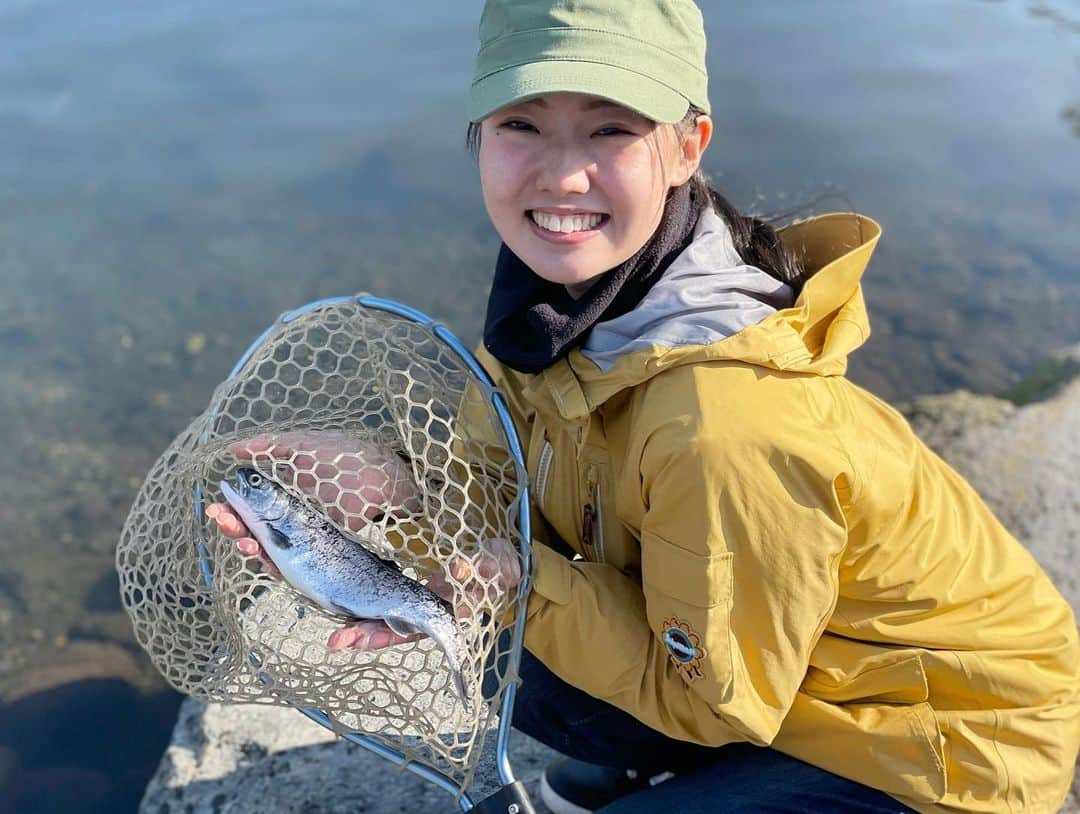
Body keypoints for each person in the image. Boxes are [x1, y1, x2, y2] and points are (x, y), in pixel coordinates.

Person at [209, 1, 1080, 812]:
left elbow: (709, 700)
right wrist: (395, 501)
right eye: (521, 124)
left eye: (611, 128)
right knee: (496, 653)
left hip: (941, 746)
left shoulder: (729, 425)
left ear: (688, 145)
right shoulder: (552, 310)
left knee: (510, 636)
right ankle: (653, 770)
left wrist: (515, 585)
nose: (561, 174)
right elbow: (495, 492)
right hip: (781, 678)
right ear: (476, 136)